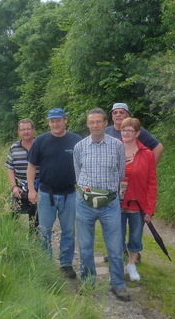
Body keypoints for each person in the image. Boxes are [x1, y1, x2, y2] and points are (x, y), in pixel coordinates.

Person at [73, 108, 129, 301]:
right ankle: (88, 281)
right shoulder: (80, 147)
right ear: (88, 125)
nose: (95, 126)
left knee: (114, 246)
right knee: (86, 245)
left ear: (106, 123)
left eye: (99, 122)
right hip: (84, 203)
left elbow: (121, 174)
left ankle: (118, 284)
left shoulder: (117, 146)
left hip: (110, 203)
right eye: (91, 122)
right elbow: (78, 172)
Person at [27, 108, 81, 279]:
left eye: (58, 120)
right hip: (46, 193)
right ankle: (46, 263)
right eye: (52, 121)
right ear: (49, 122)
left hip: (69, 193)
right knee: (44, 230)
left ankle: (66, 264)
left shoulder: (76, 141)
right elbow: (31, 166)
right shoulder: (40, 141)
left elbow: (84, 166)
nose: (55, 123)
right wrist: (31, 189)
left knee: (68, 231)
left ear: (65, 120)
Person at [119, 117, 157, 282]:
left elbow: (151, 182)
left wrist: (149, 209)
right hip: (116, 202)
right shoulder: (115, 149)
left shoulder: (147, 154)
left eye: (130, 130)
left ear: (137, 133)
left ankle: (132, 264)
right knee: (116, 236)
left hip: (137, 203)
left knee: (135, 235)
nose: (126, 133)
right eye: (123, 130)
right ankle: (119, 265)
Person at [6, 119, 39, 229]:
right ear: (19, 132)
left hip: (38, 187)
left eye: (28, 129)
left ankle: (35, 242)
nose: (26, 132)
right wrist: (14, 186)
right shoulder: (14, 148)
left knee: (36, 220)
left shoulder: (40, 145)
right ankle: (16, 242)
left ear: (34, 130)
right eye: (23, 129)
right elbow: (10, 168)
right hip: (20, 187)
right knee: (13, 216)